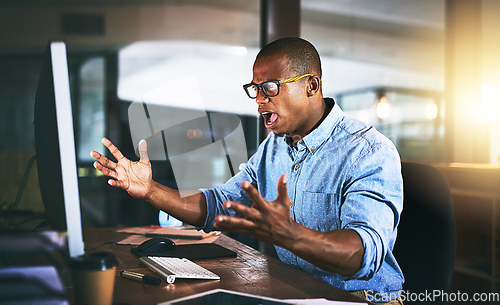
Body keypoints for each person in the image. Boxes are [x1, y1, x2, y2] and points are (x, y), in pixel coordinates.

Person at [91, 37, 404, 304]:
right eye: (255, 90)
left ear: (312, 86)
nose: (259, 103)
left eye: (269, 88)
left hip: (360, 298)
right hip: (300, 291)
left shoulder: (369, 152)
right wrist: (151, 190)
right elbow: (220, 205)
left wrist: (290, 235)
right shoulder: (275, 146)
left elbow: (363, 255)